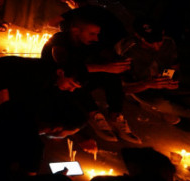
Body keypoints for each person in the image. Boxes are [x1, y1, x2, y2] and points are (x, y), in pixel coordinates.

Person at [41, 10, 140, 144]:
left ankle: (115, 116)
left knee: (112, 74)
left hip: (79, 75)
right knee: (77, 79)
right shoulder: (59, 40)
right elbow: (67, 67)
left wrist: (119, 61)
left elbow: (104, 52)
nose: (96, 38)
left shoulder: (90, 41)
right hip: (57, 83)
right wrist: (105, 67)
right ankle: (94, 115)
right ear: (76, 31)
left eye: (97, 34)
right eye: (92, 34)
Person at [0, 97, 86, 181]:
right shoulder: (33, 145)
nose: (66, 137)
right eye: (68, 134)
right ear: (57, 127)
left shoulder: (15, 106)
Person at [116, 17, 190, 124]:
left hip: (162, 88)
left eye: (159, 41)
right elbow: (121, 88)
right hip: (139, 89)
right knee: (168, 111)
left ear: (162, 32)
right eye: (150, 42)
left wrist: (170, 80)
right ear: (138, 36)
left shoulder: (168, 43)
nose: (156, 46)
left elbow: (174, 66)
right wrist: (147, 84)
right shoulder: (127, 50)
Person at [0, 56, 83, 111]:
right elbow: (4, 89)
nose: (71, 89)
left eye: (75, 88)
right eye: (71, 84)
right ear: (60, 72)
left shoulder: (52, 76)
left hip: (1, 83)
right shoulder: (40, 75)